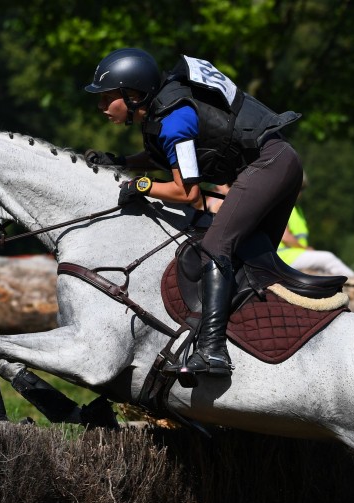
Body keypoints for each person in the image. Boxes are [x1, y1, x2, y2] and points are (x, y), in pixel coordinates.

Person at [84, 48, 303, 379]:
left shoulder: (174, 119)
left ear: (132, 95)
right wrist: (124, 162)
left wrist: (142, 186)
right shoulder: (163, 110)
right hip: (277, 162)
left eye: (107, 98)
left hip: (270, 164)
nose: (101, 107)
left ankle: (212, 352)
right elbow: (164, 152)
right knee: (247, 259)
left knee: (216, 247)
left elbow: (186, 192)